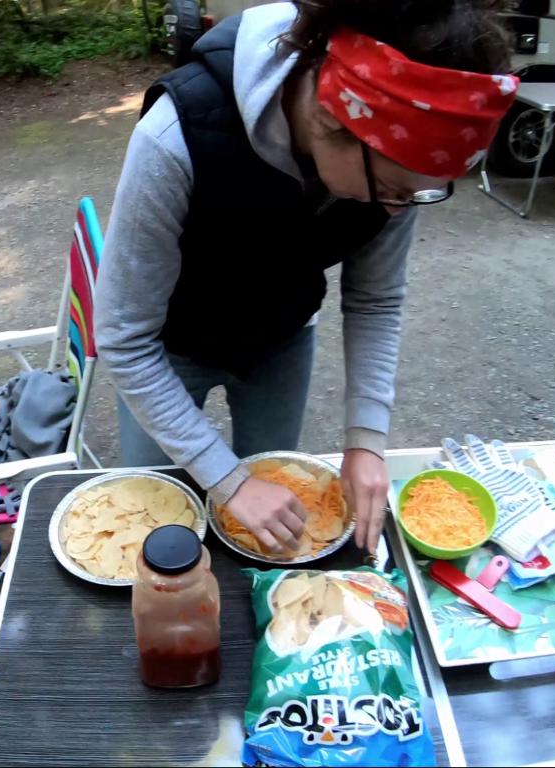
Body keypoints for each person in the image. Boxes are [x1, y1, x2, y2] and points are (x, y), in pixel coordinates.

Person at [94, 0, 517, 555]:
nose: (398, 210)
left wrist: (366, 439)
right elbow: (124, 338)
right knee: (154, 520)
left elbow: (376, 299)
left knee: (275, 517)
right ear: (332, 120)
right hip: (166, 349)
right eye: (394, 190)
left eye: (420, 193)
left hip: (282, 337)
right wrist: (229, 480)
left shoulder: (398, 167)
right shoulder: (176, 137)